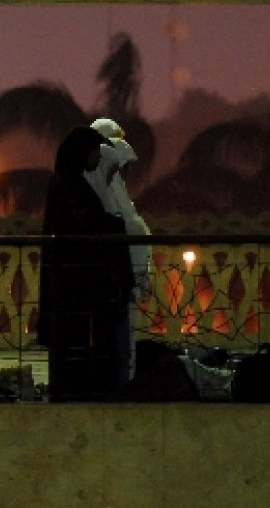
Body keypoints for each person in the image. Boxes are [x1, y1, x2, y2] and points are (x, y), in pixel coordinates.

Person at [38, 126, 134, 401]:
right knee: (70, 342)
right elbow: (85, 226)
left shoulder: (70, 184)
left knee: (73, 342)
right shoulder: (68, 186)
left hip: (73, 282)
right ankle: (71, 391)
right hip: (72, 282)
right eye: (93, 152)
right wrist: (116, 226)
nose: (95, 157)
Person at [89, 118, 153, 383]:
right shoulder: (102, 188)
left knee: (125, 337)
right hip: (115, 277)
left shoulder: (115, 190)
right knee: (118, 337)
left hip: (122, 277)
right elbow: (126, 227)